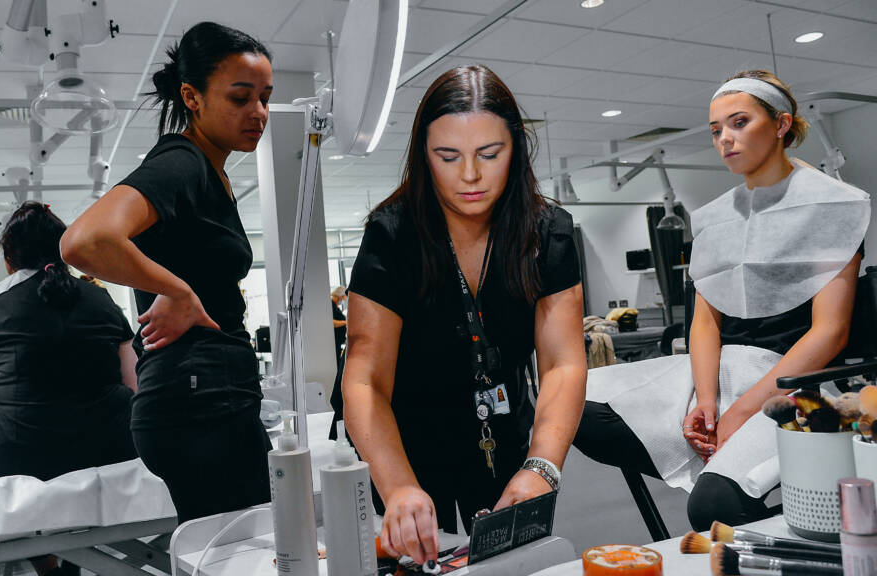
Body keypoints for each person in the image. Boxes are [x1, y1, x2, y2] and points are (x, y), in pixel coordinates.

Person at [575, 70, 870, 531]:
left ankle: (729, 485)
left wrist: (743, 410)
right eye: (716, 130)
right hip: (721, 371)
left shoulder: (833, 207)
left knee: (713, 509)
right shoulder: (713, 219)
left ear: (780, 124)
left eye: (738, 123)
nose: (725, 139)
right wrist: (707, 404)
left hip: (794, 381)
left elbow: (829, 333)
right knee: (575, 401)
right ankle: (714, 465)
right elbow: (705, 322)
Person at [341, 65, 587, 565]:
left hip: (504, 432)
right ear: (422, 155)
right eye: (447, 156)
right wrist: (399, 488)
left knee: (511, 565)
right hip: (405, 442)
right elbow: (366, 380)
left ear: (515, 150)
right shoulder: (393, 236)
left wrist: (542, 467)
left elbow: (562, 363)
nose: (470, 175)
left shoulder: (549, 233)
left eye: (489, 154)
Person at [60, 21, 273, 523]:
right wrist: (176, 291)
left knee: (245, 545)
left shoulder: (208, 169)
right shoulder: (182, 161)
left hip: (205, 390)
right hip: (198, 396)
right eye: (241, 97)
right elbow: (83, 240)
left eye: (264, 97)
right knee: (241, 550)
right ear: (191, 97)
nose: (258, 113)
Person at [0, 202, 137, 482]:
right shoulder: (103, 302)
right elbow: (134, 386)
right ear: (64, 249)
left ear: (9, 258)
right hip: (112, 453)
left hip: (13, 462)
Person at [331, 285, 348, 360]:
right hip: (335, 342)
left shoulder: (335, 305)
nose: (344, 299)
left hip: (339, 341)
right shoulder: (331, 304)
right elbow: (332, 323)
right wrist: (346, 323)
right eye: (343, 296)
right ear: (339, 295)